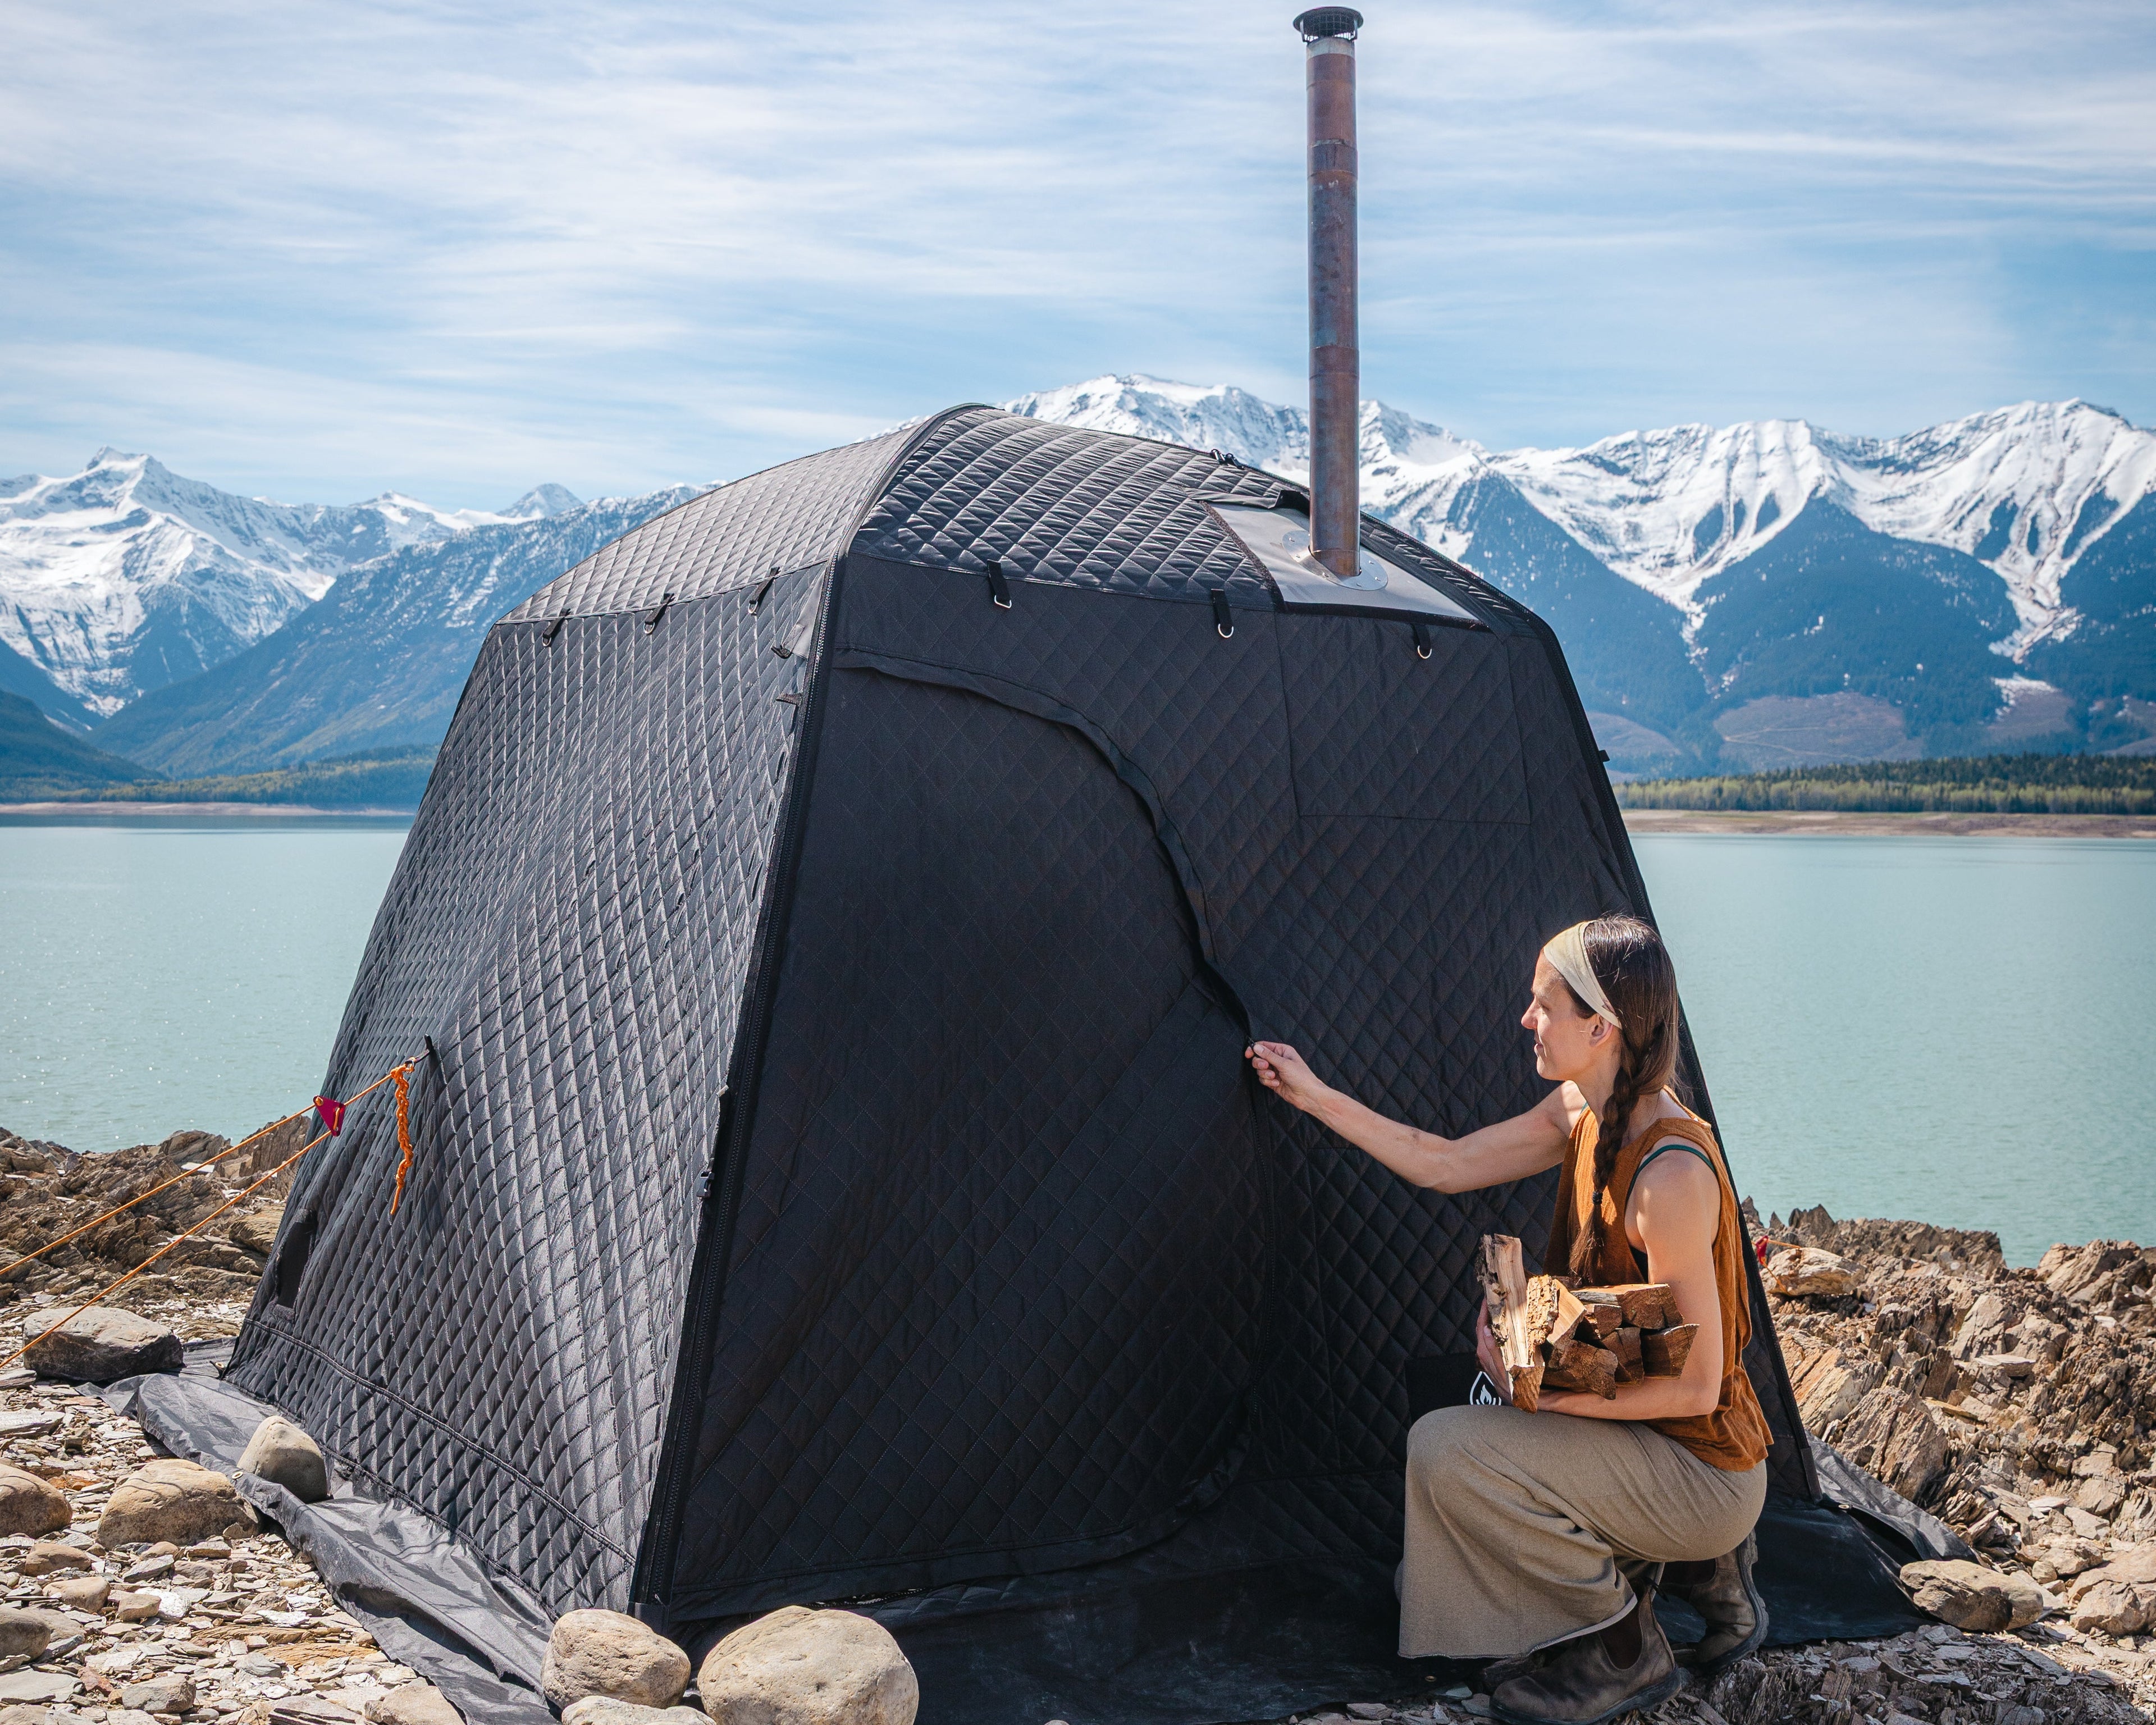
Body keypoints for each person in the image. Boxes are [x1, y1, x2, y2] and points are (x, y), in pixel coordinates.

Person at [1246, 914, 1771, 1725]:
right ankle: (1693, 1572)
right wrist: (1314, 1096)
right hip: (1649, 1439)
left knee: (1447, 1449)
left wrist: (1551, 1394)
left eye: (1543, 1005)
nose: (1526, 1020)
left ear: (1600, 1027)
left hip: (1703, 1467)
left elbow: (1697, 1382)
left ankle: (1622, 1647)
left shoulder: (1669, 1176)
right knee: (1447, 1392)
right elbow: (1447, 1163)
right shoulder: (1581, 1110)